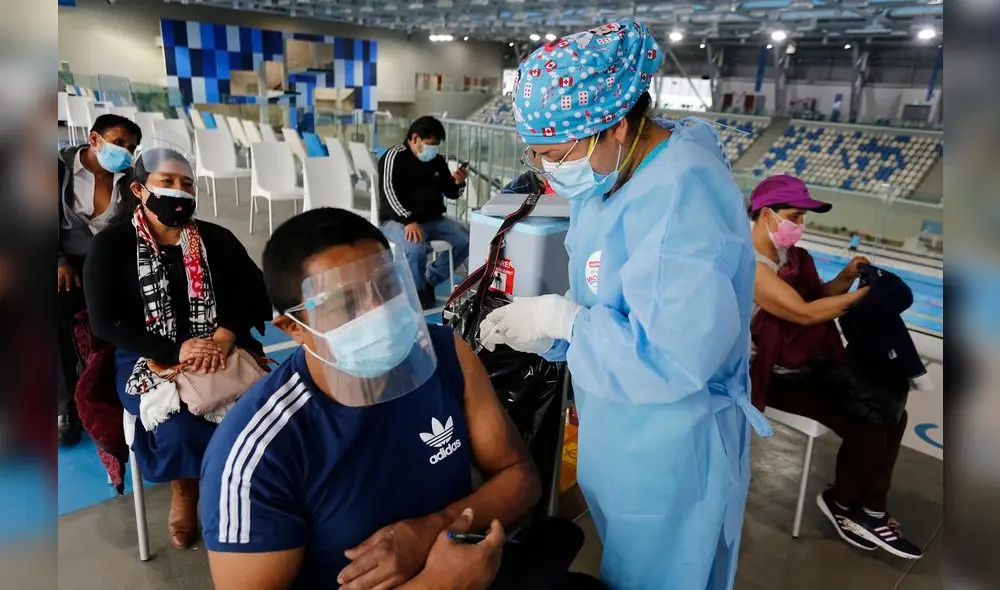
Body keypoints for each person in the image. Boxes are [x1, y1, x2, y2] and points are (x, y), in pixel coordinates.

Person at [479, 20, 771, 590]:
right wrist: (558, 326)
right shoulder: (612, 177)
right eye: (534, 156)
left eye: (553, 154)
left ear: (613, 126)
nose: (546, 171)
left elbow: (674, 357)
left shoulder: (682, 194)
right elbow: (611, 296)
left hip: (669, 444)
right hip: (624, 426)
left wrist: (562, 321)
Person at [200, 207, 552, 589]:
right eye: (345, 303)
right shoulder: (257, 453)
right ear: (293, 328)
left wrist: (434, 529)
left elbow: (520, 478)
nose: (378, 312)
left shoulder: (445, 356)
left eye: (387, 286)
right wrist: (436, 585)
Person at [83, 142, 273, 549]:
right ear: (139, 190)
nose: (178, 191)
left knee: (261, 411)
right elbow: (106, 320)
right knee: (181, 427)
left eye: (186, 184)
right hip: (147, 353)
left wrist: (224, 334)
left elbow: (254, 292)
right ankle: (186, 490)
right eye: (166, 182)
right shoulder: (111, 246)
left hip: (220, 343)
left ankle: (243, 484)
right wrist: (174, 352)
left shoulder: (216, 239)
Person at [748, 174, 923, 560]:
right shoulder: (753, 266)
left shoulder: (794, 258)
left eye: (803, 218)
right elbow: (805, 312)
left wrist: (845, 278)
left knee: (896, 413)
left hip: (811, 363)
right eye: (795, 216)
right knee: (869, 424)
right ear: (766, 215)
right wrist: (867, 295)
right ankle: (843, 504)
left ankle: (872, 509)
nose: (800, 225)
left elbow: (818, 295)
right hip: (773, 375)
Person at [57, 113, 142, 446]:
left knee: (125, 318)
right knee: (55, 318)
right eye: (118, 142)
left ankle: (116, 395)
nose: (124, 151)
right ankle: (64, 405)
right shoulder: (57, 170)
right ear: (94, 139)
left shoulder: (129, 179)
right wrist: (58, 261)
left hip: (108, 265)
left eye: (131, 147)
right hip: (67, 265)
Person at [377, 116, 469, 309]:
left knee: (465, 240)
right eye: (430, 144)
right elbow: (388, 192)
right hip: (397, 221)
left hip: (433, 219)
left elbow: (451, 192)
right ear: (415, 138)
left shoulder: (436, 161)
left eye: (436, 145)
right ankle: (416, 294)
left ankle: (428, 281)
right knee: (416, 248)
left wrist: (459, 183)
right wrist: (408, 219)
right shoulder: (394, 156)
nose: (433, 149)